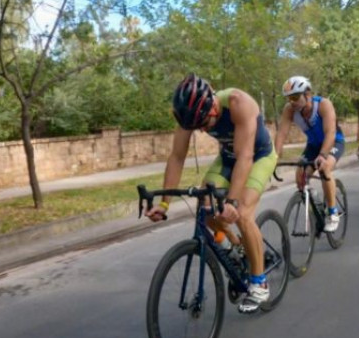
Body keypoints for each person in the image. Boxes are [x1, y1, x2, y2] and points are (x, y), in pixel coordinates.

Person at [145, 73, 277, 314]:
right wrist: (164, 204)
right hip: (228, 157)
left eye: (205, 124)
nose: (203, 129)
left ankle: (259, 282)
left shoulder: (239, 104)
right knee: (205, 208)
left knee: (244, 214)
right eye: (198, 127)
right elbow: (177, 157)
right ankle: (238, 247)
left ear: (213, 104)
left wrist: (232, 202)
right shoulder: (189, 116)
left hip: (258, 156)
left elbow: (245, 157)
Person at [275, 76, 345, 232]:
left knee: (324, 168)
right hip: (313, 145)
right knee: (300, 176)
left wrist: (323, 155)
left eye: (294, 97)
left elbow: (330, 132)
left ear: (307, 94)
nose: (291, 101)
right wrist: (274, 157)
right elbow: (281, 133)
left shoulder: (323, 105)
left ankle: (333, 213)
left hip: (333, 141)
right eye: (288, 98)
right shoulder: (290, 110)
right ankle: (315, 199)